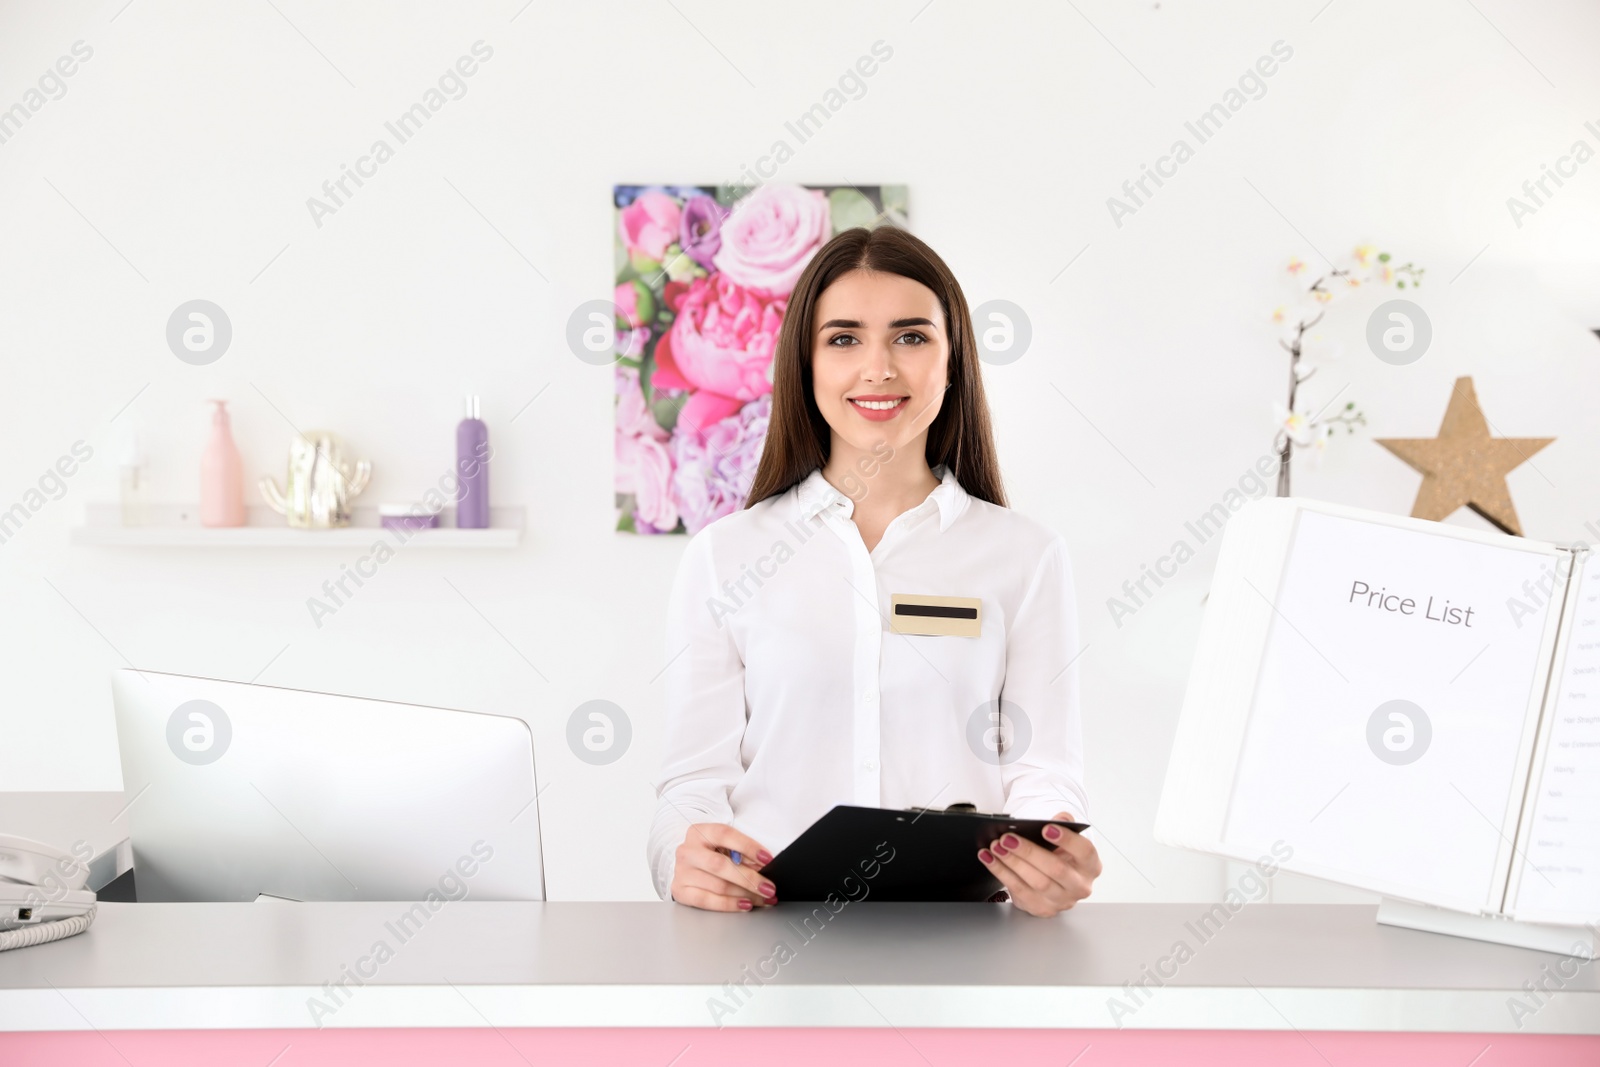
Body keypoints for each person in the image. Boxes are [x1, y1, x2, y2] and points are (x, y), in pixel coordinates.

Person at [646, 225, 1101, 917]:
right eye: (844, 338)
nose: (879, 367)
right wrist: (678, 856)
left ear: (954, 363)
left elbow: (1045, 769)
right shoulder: (724, 555)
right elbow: (692, 783)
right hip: (762, 935)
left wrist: (1052, 850)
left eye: (912, 337)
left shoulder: (1027, 556)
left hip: (964, 941)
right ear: (806, 363)